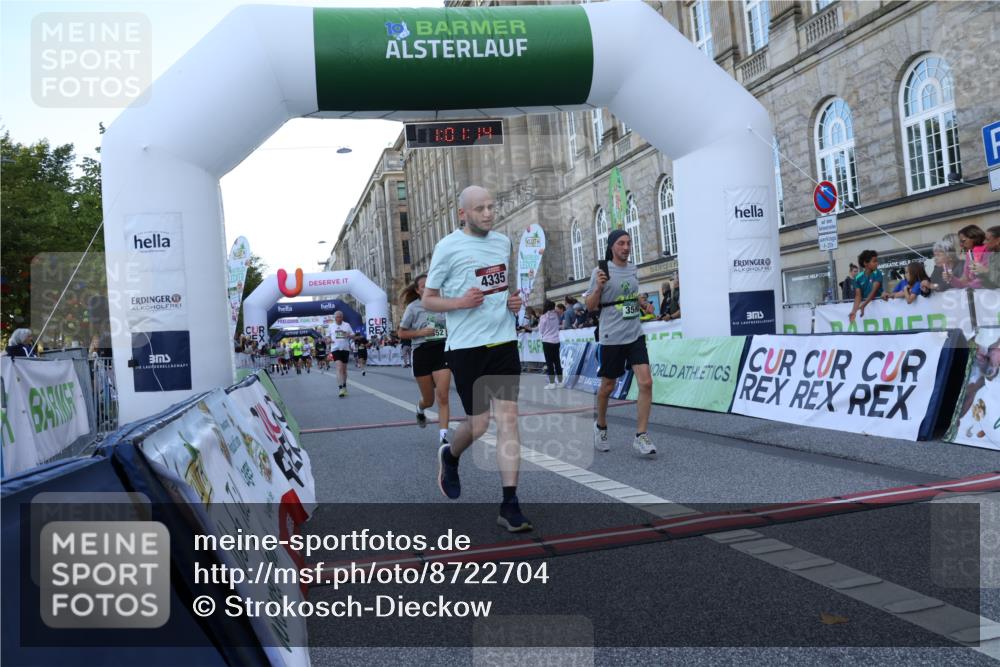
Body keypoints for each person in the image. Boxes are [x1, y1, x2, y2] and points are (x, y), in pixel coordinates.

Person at [422, 185, 531, 532]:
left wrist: (512, 302)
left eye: (491, 206)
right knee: (479, 424)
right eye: (480, 208)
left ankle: (510, 503)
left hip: (502, 341)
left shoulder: (503, 242)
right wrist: (459, 303)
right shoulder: (448, 247)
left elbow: (501, 290)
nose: (488, 213)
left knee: (509, 420)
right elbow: (428, 299)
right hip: (466, 347)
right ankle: (450, 455)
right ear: (463, 214)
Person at [586, 229, 657, 458]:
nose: (626, 247)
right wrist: (598, 287)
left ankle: (641, 436)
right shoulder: (601, 271)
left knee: (645, 383)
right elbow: (589, 306)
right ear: (611, 246)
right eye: (621, 243)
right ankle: (601, 426)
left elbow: (631, 294)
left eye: (628, 243)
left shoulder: (633, 269)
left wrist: (643, 303)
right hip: (612, 336)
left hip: (634, 333)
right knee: (608, 386)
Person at [398, 274, 452, 446]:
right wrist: (420, 333)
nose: (429, 287)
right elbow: (401, 333)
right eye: (424, 286)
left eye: (431, 284)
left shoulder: (445, 304)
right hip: (421, 352)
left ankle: (443, 437)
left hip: (441, 350)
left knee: (443, 396)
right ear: (417, 290)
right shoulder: (413, 308)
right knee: (428, 400)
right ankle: (420, 409)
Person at [849, 249, 883, 323]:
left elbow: (873, 292)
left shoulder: (877, 273)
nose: (877, 263)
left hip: (880, 308)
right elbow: (858, 296)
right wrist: (854, 311)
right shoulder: (858, 277)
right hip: (869, 312)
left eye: (877, 261)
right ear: (865, 263)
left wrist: (863, 305)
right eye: (874, 261)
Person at [538, 300, 563, 389]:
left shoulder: (543, 317)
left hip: (547, 341)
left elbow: (540, 330)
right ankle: (560, 382)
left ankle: (552, 383)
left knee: (549, 363)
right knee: (557, 362)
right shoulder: (556, 315)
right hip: (556, 340)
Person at [953, 224, 987, 289]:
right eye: (960, 241)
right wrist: (951, 278)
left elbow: (986, 279)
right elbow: (964, 281)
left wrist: (969, 285)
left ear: (975, 238)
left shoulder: (988, 251)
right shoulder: (970, 254)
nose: (961, 245)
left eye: (963, 241)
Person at [329, 312, 354, 397]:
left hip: (345, 349)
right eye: (337, 317)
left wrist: (349, 335)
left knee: (344, 369)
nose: (339, 319)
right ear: (335, 318)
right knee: (339, 367)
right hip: (335, 349)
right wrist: (328, 340)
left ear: (342, 317)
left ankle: (344, 385)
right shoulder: (331, 326)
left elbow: (353, 335)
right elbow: (327, 337)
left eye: (340, 317)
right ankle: (340, 388)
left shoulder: (347, 325)